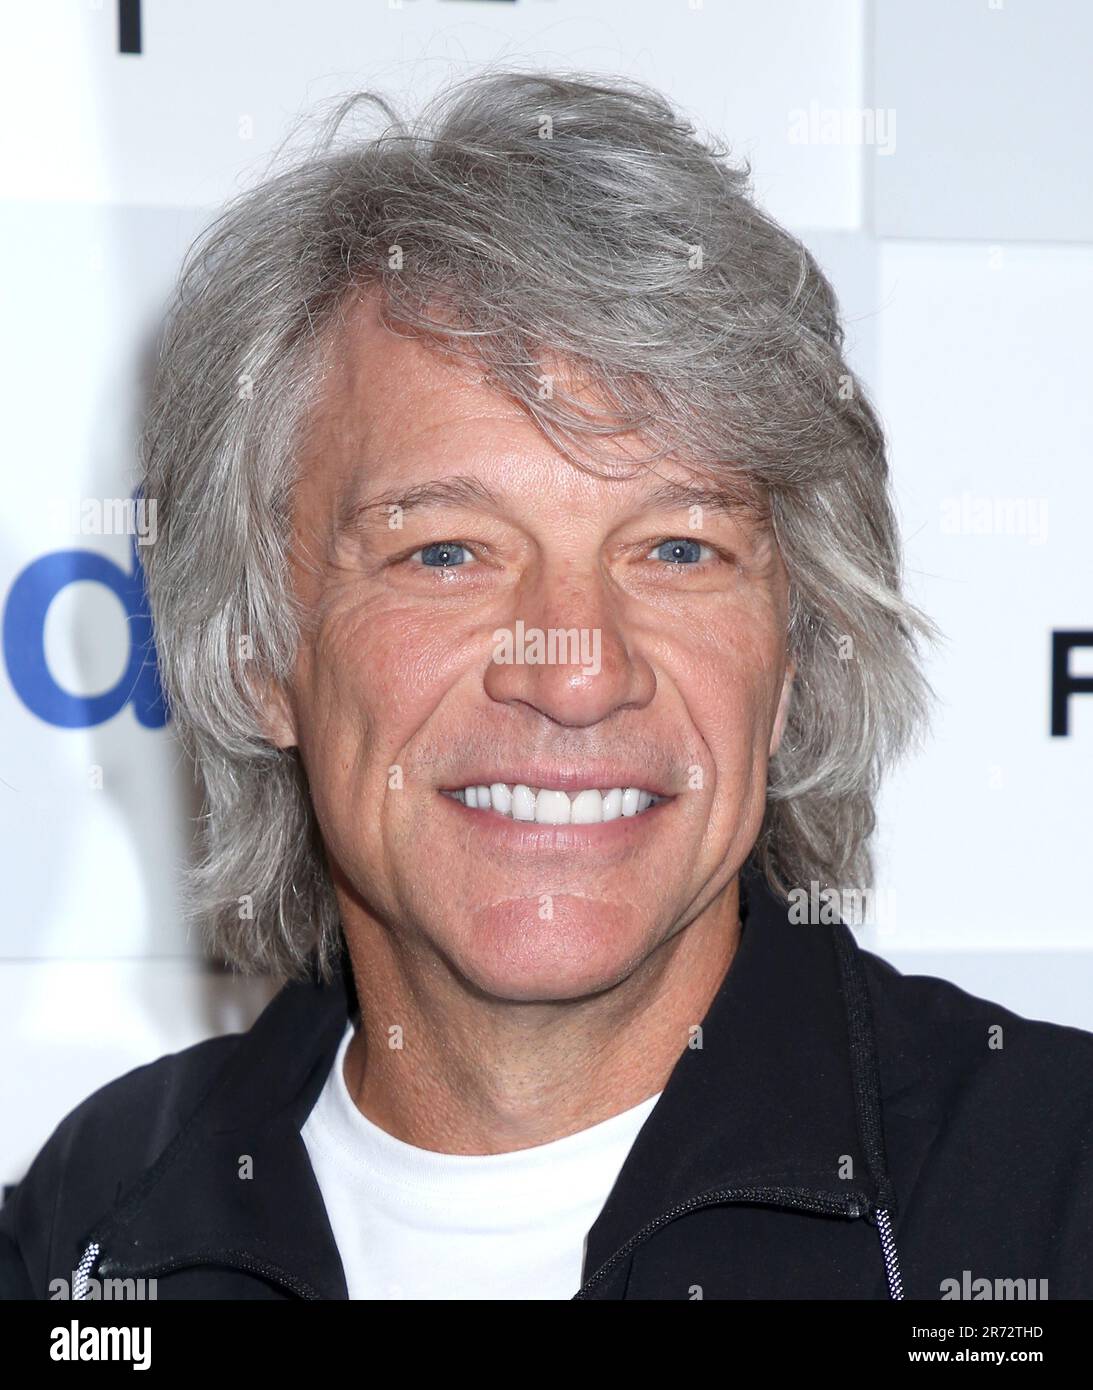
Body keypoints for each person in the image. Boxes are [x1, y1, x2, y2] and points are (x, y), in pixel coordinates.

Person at [2, 69, 1090, 1301]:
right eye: (445, 553)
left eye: (676, 550)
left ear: (793, 655)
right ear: (258, 651)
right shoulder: (89, 1234)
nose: (575, 671)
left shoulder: (1052, 1202)